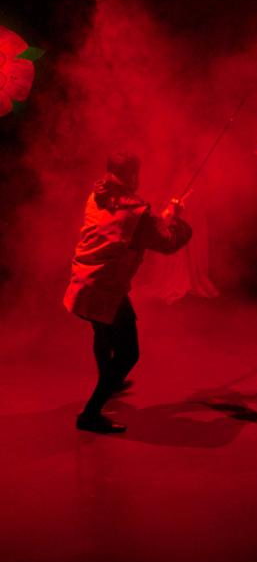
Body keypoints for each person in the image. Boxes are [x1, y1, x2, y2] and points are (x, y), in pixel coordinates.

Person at [64, 151, 192, 433]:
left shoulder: (97, 194)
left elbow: (129, 229)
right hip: (106, 289)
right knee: (128, 354)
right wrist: (177, 220)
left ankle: (108, 381)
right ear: (132, 175)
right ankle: (91, 413)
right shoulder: (136, 211)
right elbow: (166, 243)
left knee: (102, 333)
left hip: (84, 282)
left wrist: (162, 218)